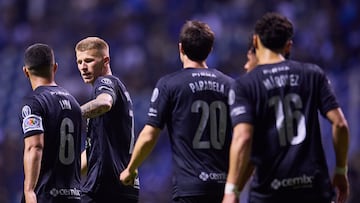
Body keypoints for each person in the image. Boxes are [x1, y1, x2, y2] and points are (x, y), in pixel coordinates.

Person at [223, 12, 350, 203]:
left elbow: (243, 138)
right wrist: (340, 170)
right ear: (288, 46)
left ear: (256, 41)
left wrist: (232, 190)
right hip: (314, 190)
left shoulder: (245, 85)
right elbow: (340, 124)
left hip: (270, 193)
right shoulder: (313, 74)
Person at [120, 20, 234, 203]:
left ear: (181, 48)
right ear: (210, 49)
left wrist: (131, 168)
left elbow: (150, 135)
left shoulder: (170, 84)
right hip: (223, 187)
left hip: (189, 187)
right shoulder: (230, 85)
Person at [75, 37, 139, 202]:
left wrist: (72, 114)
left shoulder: (105, 82)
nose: (83, 67)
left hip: (104, 186)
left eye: (89, 60)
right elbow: (93, 152)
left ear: (106, 61)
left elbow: (104, 102)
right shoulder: (120, 90)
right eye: (79, 62)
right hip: (124, 186)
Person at [20, 43, 82, 202]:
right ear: (54, 68)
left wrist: (29, 190)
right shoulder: (74, 103)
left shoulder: (34, 102)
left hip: (46, 195)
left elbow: (35, 146)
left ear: (26, 72)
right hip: (73, 195)